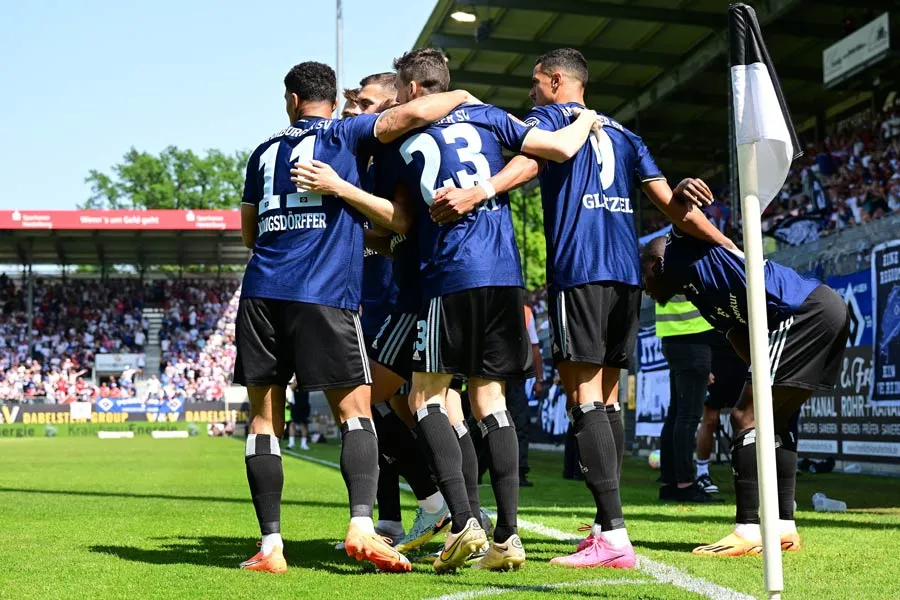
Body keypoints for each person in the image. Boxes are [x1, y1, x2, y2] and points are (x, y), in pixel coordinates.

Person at [293, 47, 605, 573]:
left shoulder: (396, 140)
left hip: (448, 274)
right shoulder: (487, 116)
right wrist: (590, 116)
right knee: (490, 401)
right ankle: (507, 536)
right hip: (506, 274)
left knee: (425, 398)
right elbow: (554, 149)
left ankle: (459, 521)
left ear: (411, 92)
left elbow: (401, 219)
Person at [430, 48, 730, 569]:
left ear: (555, 80)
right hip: (626, 276)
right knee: (608, 400)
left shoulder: (549, 119)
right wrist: (730, 247)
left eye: (534, 83)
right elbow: (671, 207)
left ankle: (613, 535)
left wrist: (481, 190)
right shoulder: (624, 132)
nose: (530, 93)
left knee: (584, 398)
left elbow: (529, 159)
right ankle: (604, 525)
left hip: (580, 272)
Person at [234, 59, 477, 574]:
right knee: (358, 413)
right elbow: (412, 114)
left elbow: (249, 236)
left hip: (261, 293)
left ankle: (271, 547)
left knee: (263, 421)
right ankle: (364, 525)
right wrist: (461, 97)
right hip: (324, 294)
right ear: (326, 99)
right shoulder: (347, 133)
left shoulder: (260, 152)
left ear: (292, 99)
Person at [640, 204, 849, 557]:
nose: (643, 287)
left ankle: (748, 529)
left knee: (744, 418)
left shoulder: (682, 257)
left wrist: (684, 189)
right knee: (776, 421)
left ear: (657, 264)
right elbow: (740, 335)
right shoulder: (698, 294)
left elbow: (681, 212)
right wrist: (761, 373)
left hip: (804, 312)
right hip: (824, 311)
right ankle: (784, 529)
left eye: (643, 273)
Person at [352, 71, 451, 550]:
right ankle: (394, 519)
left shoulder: (402, 153)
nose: (359, 110)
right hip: (375, 303)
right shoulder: (363, 155)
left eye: (369, 103)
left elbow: (401, 225)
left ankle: (447, 505)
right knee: (385, 408)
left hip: (402, 301)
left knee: (416, 408)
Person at [654, 292, 720, 503]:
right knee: (687, 417)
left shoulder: (662, 259)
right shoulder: (688, 259)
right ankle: (685, 483)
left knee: (677, 415)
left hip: (674, 336)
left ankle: (670, 483)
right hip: (692, 335)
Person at [695, 334, 748, 493]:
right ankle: (702, 473)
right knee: (710, 419)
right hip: (715, 356)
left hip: (742, 354)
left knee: (744, 419)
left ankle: (744, 472)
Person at [286, 380, 310, 451]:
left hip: (305, 405)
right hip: (295, 405)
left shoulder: (306, 379)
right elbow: (290, 388)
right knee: (292, 423)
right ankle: (291, 443)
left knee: (304, 424)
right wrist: (296, 381)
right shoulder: (294, 381)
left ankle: (303, 444)